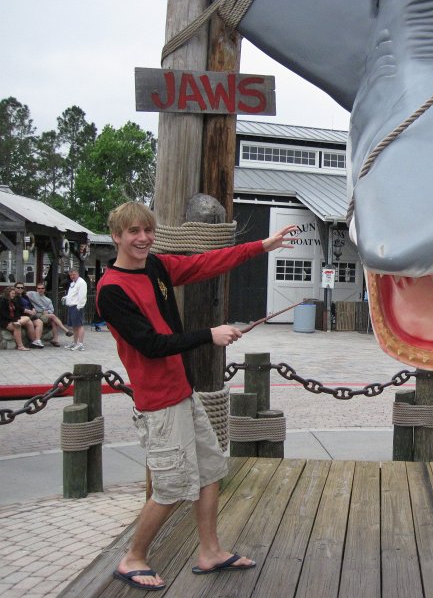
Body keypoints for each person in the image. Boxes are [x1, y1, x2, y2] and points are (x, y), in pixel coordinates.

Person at [96, 201, 297, 591]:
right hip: (158, 403)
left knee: (210, 473)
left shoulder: (155, 267)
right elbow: (151, 344)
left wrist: (262, 245)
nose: (142, 239)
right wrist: (210, 334)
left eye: (147, 231)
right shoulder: (111, 291)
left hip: (183, 393)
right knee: (171, 487)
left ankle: (210, 552)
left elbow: (206, 264)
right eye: (133, 232)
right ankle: (132, 558)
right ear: (116, 236)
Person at [25, 282, 73, 347]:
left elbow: (51, 310)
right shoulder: (31, 294)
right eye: (39, 288)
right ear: (36, 289)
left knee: (53, 321)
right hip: (36, 314)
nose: (40, 290)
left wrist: (47, 311)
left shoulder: (48, 300)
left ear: (44, 289)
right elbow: (23, 293)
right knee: (53, 316)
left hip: (44, 315)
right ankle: (65, 330)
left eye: (42, 288)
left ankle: (55, 340)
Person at [1, 286, 41, 350]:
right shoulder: (2, 301)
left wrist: (16, 319)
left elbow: (17, 312)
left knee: (28, 320)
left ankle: (34, 341)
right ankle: (20, 346)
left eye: (14, 293)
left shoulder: (14, 301)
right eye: (12, 293)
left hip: (14, 319)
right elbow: (3, 314)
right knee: (17, 326)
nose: (14, 295)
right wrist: (14, 320)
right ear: (8, 293)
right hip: (5, 321)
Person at [13, 282, 46, 348]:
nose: (20, 289)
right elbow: (17, 307)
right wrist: (28, 311)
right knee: (30, 323)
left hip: (29, 314)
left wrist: (33, 309)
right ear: (15, 288)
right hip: (21, 315)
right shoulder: (14, 296)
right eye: (18, 287)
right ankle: (33, 341)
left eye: (22, 287)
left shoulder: (25, 296)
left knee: (39, 322)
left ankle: (37, 340)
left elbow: (30, 305)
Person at [63, 268, 87, 351]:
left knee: (79, 325)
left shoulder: (81, 283)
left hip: (77, 306)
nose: (72, 276)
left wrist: (79, 307)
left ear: (78, 274)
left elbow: (82, 296)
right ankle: (75, 342)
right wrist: (65, 297)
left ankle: (80, 344)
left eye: (74, 274)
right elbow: (72, 294)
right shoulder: (73, 283)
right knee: (74, 326)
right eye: (71, 275)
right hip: (71, 306)